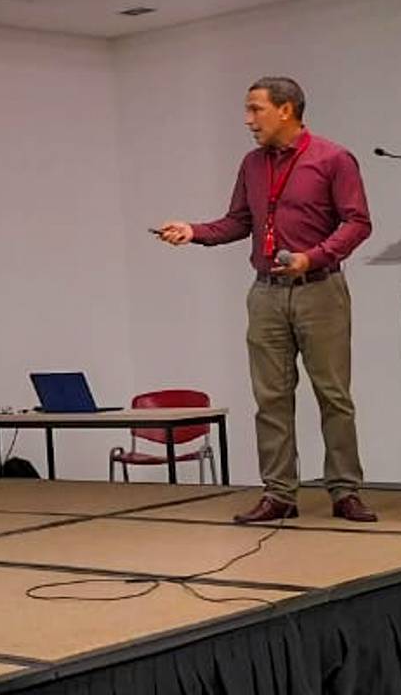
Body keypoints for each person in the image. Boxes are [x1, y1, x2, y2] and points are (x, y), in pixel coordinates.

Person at [158, 76, 377, 523]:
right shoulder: (252, 164)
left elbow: (358, 222)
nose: (248, 120)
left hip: (320, 289)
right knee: (271, 398)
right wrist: (193, 231)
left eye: (255, 109)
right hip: (266, 294)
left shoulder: (333, 159)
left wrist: (312, 257)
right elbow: (238, 222)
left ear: (286, 110)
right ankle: (279, 494)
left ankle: (345, 491)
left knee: (333, 395)